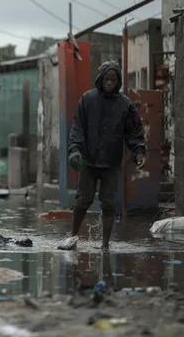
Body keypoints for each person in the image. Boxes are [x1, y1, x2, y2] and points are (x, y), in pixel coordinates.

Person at [59, 61, 146, 251]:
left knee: (108, 203)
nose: (109, 83)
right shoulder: (87, 100)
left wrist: (138, 151)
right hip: (89, 161)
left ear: (118, 81)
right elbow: (78, 128)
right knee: (82, 200)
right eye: (106, 79)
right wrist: (74, 150)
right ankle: (72, 237)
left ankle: (105, 244)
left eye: (113, 80)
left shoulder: (125, 105)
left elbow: (133, 132)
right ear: (100, 79)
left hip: (111, 163)